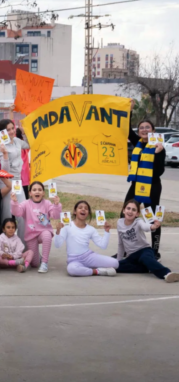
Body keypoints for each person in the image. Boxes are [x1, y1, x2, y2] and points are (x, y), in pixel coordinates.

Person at [124, 116, 166, 258]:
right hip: (135, 186)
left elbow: (159, 172)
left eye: (147, 127)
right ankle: (127, 248)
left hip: (152, 187)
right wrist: (129, 111)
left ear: (153, 130)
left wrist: (158, 153)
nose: (144, 130)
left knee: (153, 219)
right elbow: (129, 131)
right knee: (126, 214)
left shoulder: (158, 146)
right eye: (141, 127)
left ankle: (155, 251)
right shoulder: (138, 143)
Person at [116, 200, 178, 282]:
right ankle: (148, 267)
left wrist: (152, 226)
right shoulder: (119, 223)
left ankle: (167, 273)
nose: (130, 211)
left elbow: (145, 226)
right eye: (128, 208)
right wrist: (118, 261)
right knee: (117, 267)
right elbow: (121, 244)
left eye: (134, 210)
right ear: (124, 210)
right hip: (131, 256)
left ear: (137, 214)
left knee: (145, 258)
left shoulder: (138, 221)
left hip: (144, 250)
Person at [53, 201, 118, 277]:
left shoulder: (91, 229)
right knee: (71, 269)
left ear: (88, 213)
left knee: (115, 263)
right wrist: (58, 232)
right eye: (80, 208)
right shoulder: (67, 226)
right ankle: (98, 271)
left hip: (88, 257)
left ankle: (85, 269)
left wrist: (106, 232)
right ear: (75, 212)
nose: (83, 209)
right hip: (74, 260)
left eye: (86, 208)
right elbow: (57, 245)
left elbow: (103, 245)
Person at [11, 181, 61, 273]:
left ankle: (45, 262)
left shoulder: (47, 203)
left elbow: (55, 216)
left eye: (39, 190)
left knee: (47, 235)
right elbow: (17, 212)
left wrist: (56, 205)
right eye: (34, 190)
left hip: (43, 231)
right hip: (31, 235)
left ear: (43, 193)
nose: (37, 192)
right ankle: (40, 258)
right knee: (34, 264)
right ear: (30, 193)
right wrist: (14, 202)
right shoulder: (26, 203)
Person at [0, 118, 29, 237]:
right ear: (2, 133)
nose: (11, 131)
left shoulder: (17, 141)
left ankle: (24, 246)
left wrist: (25, 133)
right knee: (7, 215)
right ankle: (6, 247)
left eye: (12, 128)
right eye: (7, 130)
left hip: (17, 181)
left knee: (23, 212)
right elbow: (5, 171)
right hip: (6, 182)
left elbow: (30, 144)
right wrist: (4, 154)